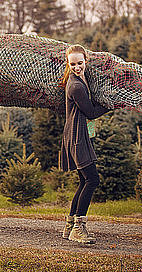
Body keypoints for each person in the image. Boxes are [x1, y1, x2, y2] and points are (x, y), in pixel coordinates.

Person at [60, 44, 110, 244]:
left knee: (84, 180)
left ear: (85, 61)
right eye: (72, 64)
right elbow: (91, 112)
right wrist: (110, 104)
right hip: (77, 136)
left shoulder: (80, 80)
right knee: (92, 180)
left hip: (77, 134)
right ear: (68, 63)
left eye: (80, 63)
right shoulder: (76, 86)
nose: (76, 67)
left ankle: (70, 226)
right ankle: (78, 229)